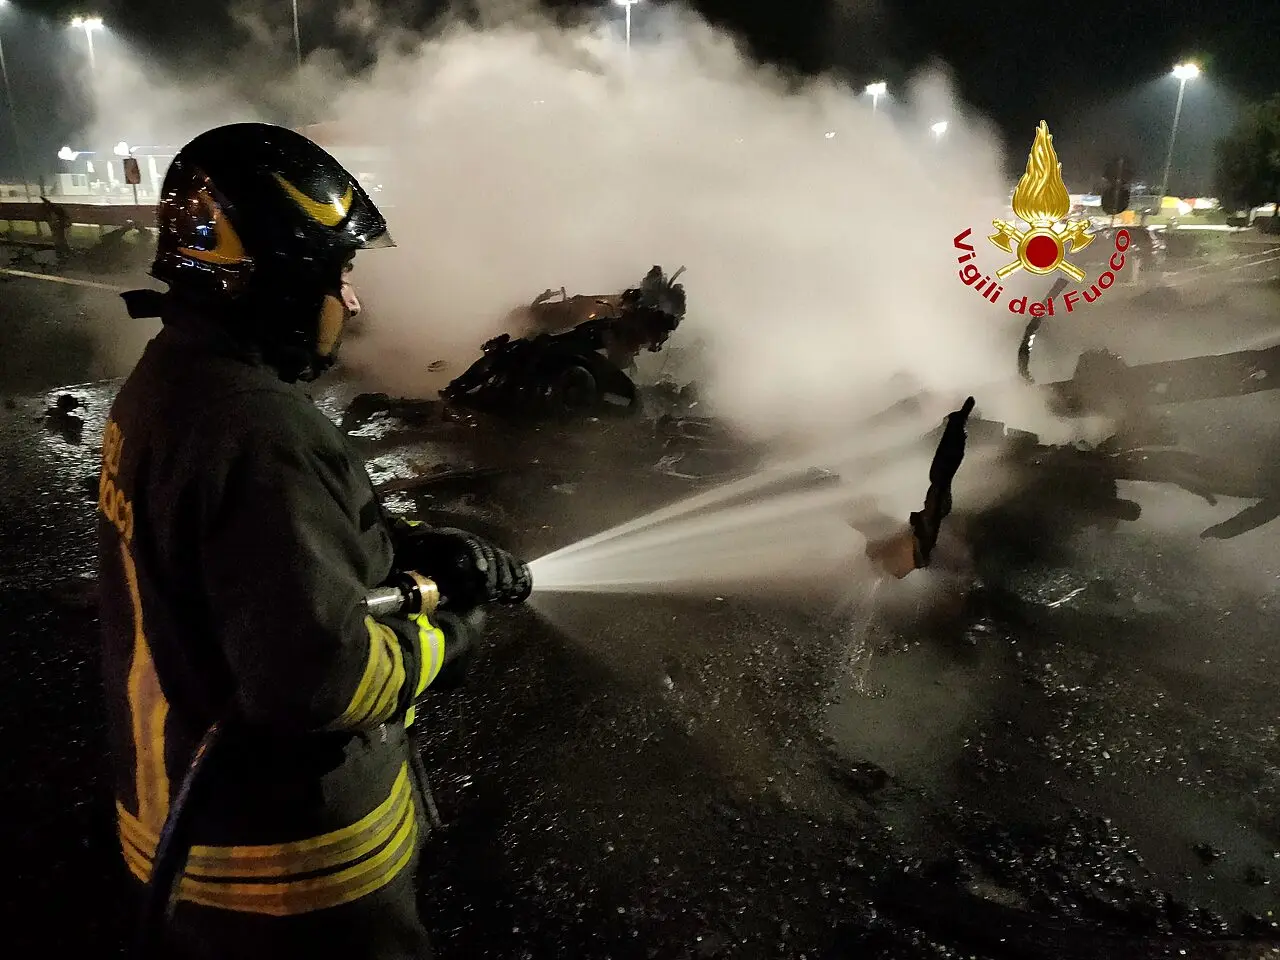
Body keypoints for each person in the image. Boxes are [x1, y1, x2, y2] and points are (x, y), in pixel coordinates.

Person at [97, 122, 530, 959]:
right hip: (291, 871)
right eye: (340, 272)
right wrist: (447, 640)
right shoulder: (259, 429)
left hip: (186, 824)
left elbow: (240, 549)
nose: (354, 301)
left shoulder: (172, 384)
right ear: (273, 282)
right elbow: (315, 681)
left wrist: (401, 544)